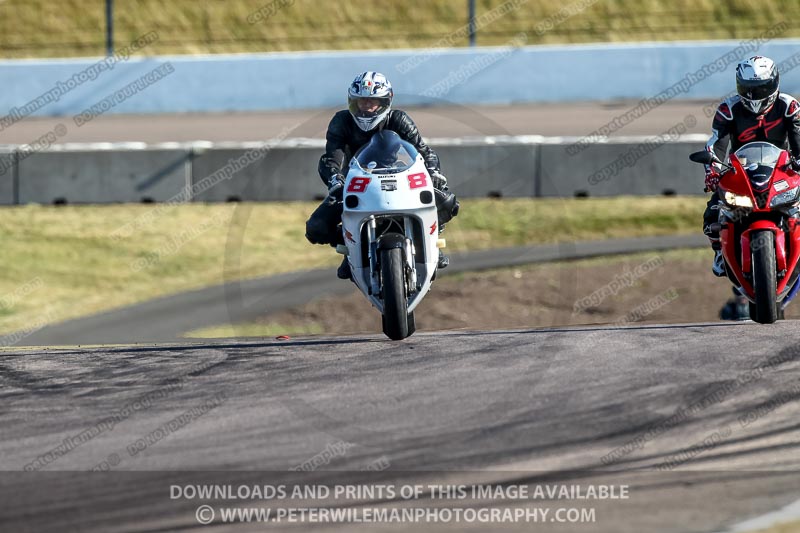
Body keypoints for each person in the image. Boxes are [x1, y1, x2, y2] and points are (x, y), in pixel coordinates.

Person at [305, 71, 459, 279]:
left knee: (448, 201)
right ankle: (350, 247)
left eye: (373, 101)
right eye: (361, 101)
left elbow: (425, 152)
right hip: (356, 182)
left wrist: (434, 174)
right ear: (353, 102)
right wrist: (335, 179)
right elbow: (331, 158)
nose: (367, 106)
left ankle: (430, 242)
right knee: (316, 228)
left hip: (399, 178)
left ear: (386, 101)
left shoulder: (399, 119)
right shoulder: (341, 121)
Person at [702, 55, 800, 277]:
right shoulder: (728, 110)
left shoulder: (789, 107)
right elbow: (716, 145)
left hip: (783, 170)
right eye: (747, 88)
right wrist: (713, 170)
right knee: (712, 215)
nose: (753, 95)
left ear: (774, 83)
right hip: (742, 172)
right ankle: (719, 251)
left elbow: (799, 140)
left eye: (761, 87)